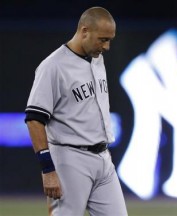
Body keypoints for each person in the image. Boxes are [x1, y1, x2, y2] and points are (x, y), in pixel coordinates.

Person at [25, 6, 128, 216]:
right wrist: (48, 170)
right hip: (70, 159)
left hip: (103, 159)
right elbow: (34, 119)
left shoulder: (97, 58)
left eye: (109, 40)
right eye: (102, 39)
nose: (106, 46)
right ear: (84, 31)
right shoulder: (53, 66)